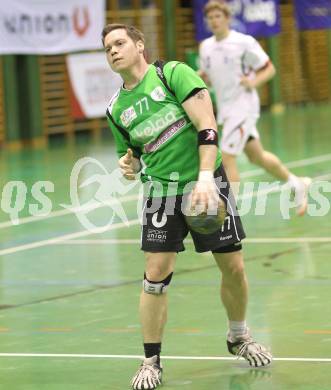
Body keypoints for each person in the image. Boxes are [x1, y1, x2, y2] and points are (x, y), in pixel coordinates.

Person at [102, 23, 272, 390]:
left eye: (119, 43)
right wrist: (127, 164)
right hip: (161, 193)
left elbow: (207, 126)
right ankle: (151, 361)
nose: (113, 51)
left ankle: (238, 336)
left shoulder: (172, 74)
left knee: (234, 266)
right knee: (155, 274)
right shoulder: (116, 108)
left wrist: (207, 177)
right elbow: (129, 153)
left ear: (139, 45)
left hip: (204, 181)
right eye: (107, 48)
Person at [198, 0, 311, 214]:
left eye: (218, 17)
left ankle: (229, 211)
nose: (214, 21)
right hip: (225, 109)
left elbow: (269, 69)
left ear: (227, 18)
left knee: (227, 156)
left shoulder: (244, 42)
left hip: (244, 107)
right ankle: (297, 183)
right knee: (256, 156)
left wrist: (253, 82)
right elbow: (207, 76)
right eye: (210, 18)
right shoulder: (206, 47)